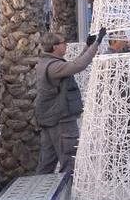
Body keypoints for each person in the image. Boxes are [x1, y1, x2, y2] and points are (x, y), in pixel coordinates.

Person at [34, 28, 105, 176]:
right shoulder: (53, 66)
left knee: (47, 162)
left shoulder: (48, 62)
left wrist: (87, 47)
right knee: (69, 160)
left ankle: (40, 192)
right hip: (61, 120)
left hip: (51, 119)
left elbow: (72, 65)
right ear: (54, 47)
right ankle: (66, 194)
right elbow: (78, 66)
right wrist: (96, 44)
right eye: (63, 43)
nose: (65, 45)